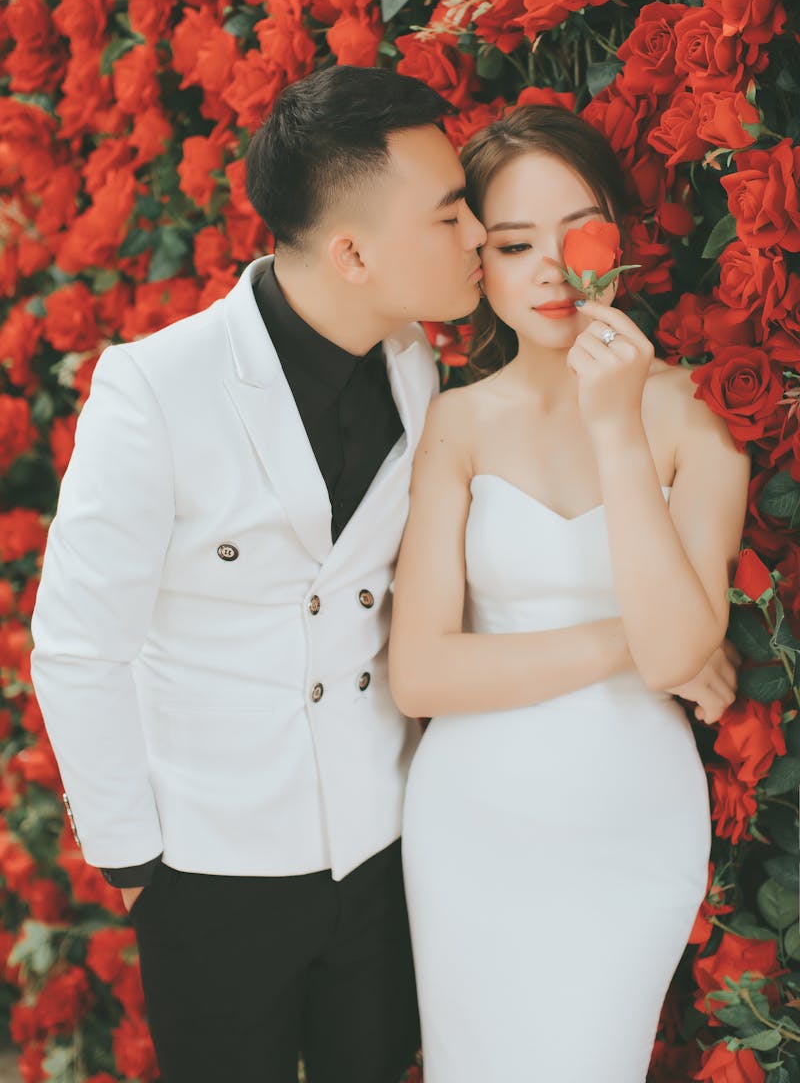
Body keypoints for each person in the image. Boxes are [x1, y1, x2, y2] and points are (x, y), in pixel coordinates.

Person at [29, 65, 486, 1083]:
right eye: (449, 216)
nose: (475, 238)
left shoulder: (417, 364)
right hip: (210, 865)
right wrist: (137, 864)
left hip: (377, 842)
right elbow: (74, 646)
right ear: (352, 250)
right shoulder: (155, 388)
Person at [390, 105, 749, 1083]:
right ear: (480, 263)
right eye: (513, 244)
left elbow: (679, 657)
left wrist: (615, 426)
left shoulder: (691, 419)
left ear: (620, 242)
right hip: (471, 822)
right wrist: (624, 639)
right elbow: (419, 672)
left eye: (575, 230)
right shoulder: (454, 425)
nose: (551, 267)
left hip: (626, 816)